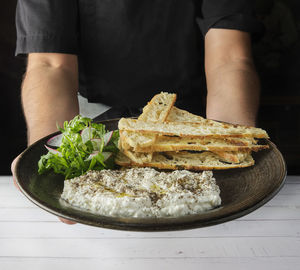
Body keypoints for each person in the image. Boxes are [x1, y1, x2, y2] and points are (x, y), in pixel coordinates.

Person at [12, 0, 262, 224]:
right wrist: (50, 168)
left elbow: (229, 59)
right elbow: (50, 64)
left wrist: (230, 148)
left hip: (189, 129)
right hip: (94, 130)